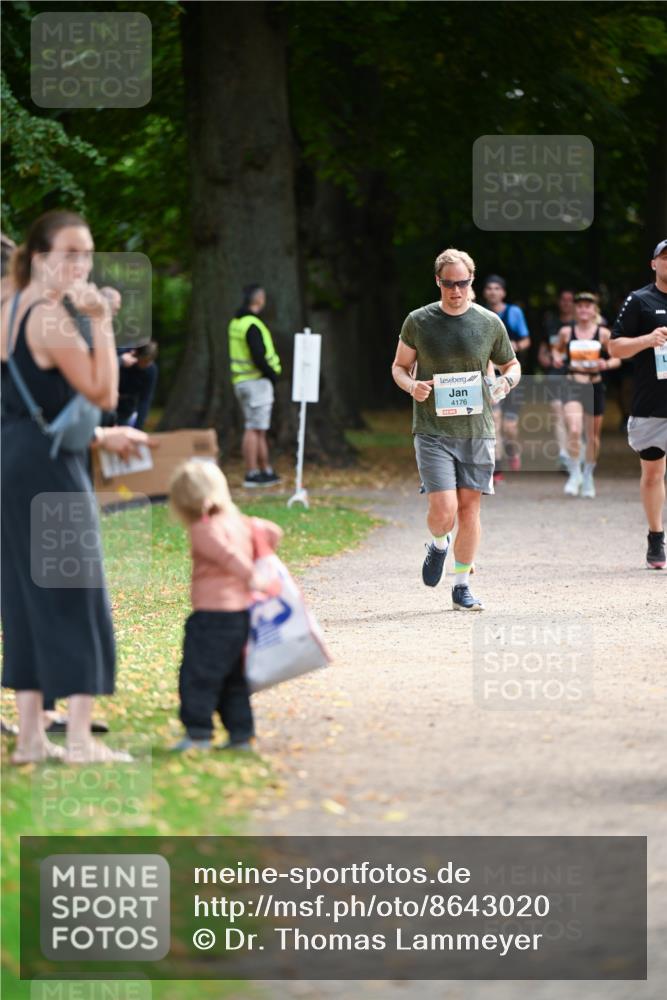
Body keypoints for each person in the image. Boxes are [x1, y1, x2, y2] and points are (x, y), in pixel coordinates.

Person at [1, 210, 153, 763]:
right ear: (39, 255)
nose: (81, 264)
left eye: (87, 253)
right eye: (69, 252)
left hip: (11, 462)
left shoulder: (9, 309)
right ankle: (82, 740)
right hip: (49, 468)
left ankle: (29, 737)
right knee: (77, 594)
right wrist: (102, 321)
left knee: (23, 596)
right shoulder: (47, 317)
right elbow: (103, 395)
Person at [391, 248, 521, 611]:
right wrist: (410, 386)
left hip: (477, 430)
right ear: (438, 282)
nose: (455, 290)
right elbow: (400, 367)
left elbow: (512, 364)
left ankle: (461, 586)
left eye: (462, 283)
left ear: (471, 282)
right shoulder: (418, 321)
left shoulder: (488, 322)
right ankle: (437, 543)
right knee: (444, 510)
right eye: (448, 283)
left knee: (469, 510)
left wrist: (507, 382)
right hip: (432, 428)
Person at [168, 460, 282, 751]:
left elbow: (227, 555)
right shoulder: (238, 523)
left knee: (198, 676)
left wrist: (252, 576)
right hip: (239, 618)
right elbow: (273, 532)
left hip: (211, 619)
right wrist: (254, 529)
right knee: (233, 679)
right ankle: (241, 734)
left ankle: (197, 733)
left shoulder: (202, 529)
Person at [608, 239, 667, 569]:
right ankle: (656, 535)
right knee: (652, 473)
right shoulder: (640, 300)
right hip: (652, 404)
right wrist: (648, 339)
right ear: (654, 264)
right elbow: (615, 348)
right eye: (665, 258)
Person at [554, 292, 620, 498]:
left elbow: (617, 358)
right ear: (575, 310)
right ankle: (575, 473)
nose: (584, 310)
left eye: (588, 306)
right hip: (573, 383)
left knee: (593, 437)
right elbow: (556, 351)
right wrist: (558, 359)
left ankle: (588, 475)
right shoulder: (566, 331)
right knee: (574, 429)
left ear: (594, 311)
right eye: (580, 306)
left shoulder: (603, 333)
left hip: (595, 386)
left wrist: (606, 363)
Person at [228, 284, 282, 488]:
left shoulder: (236, 322)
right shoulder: (252, 324)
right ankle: (252, 472)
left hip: (241, 382)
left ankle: (264, 470)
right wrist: (272, 374)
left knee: (258, 428)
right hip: (256, 382)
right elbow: (258, 355)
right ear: (258, 299)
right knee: (254, 428)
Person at [482, 275, 531, 477]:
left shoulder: (514, 312)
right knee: (495, 421)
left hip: (510, 375)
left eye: (497, 288)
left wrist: (516, 345)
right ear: (485, 292)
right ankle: (497, 468)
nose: (493, 292)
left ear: (503, 292)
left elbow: (526, 340)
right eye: (489, 288)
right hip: (489, 376)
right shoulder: (480, 313)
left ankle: (513, 451)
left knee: (510, 428)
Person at [539, 288, 575, 470]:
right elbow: (543, 349)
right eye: (563, 299)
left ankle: (575, 452)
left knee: (573, 416)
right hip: (554, 373)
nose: (566, 303)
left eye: (570, 299)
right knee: (557, 411)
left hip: (577, 375)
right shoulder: (551, 323)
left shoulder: (581, 324)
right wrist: (545, 358)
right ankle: (563, 454)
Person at [117, 341, 159, 428]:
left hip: (127, 407)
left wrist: (138, 426)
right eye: (143, 361)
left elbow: (145, 399)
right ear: (136, 355)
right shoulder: (122, 358)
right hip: (108, 403)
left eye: (149, 361)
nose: (146, 364)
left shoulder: (151, 370)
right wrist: (120, 362)